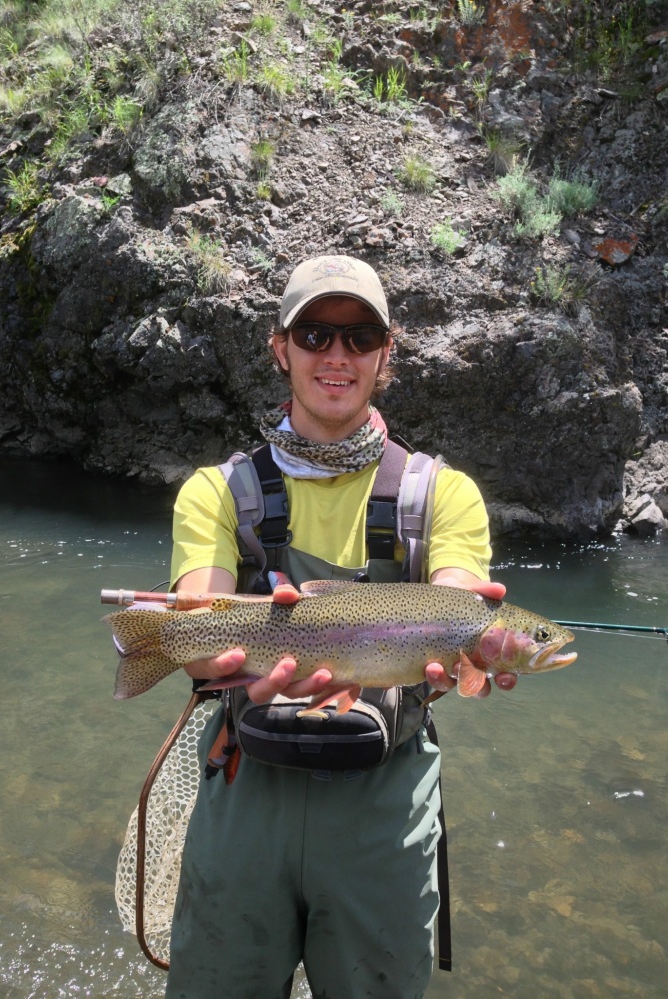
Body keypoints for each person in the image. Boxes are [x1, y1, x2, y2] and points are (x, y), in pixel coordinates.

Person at [164, 255, 515, 999]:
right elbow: (199, 634)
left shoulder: (441, 494)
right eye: (315, 332)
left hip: (382, 810)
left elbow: (457, 595)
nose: (336, 355)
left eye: (360, 338)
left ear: (387, 352)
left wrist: (472, 644)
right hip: (245, 784)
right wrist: (208, 656)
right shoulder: (216, 491)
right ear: (279, 346)